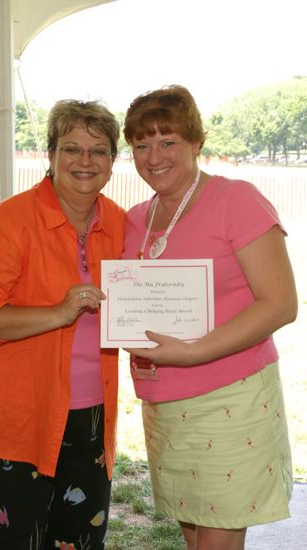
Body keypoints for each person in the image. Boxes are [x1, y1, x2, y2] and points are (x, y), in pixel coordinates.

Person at [121, 85, 298, 550]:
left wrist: (194, 350)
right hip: (163, 406)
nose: (153, 156)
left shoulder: (236, 200)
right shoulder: (136, 218)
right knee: (194, 535)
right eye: (141, 145)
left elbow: (280, 303)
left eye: (168, 141)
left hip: (230, 399)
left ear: (196, 143)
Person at [0, 99, 125, 550]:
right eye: (71, 148)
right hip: (6, 426)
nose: (85, 161)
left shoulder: (122, 225)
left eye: (98, 150)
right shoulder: (8, 222)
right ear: (50, 156)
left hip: (89, 423)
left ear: (112, 162)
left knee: (79, 544)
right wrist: (57, 313)